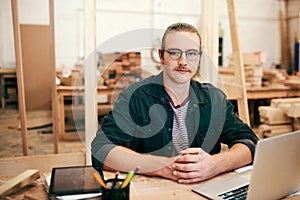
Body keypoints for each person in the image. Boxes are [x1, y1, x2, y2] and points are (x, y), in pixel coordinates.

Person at [91, 22, 258, 184]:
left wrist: (215, 165)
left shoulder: (214, 99)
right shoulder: (136, 97)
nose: (183, 62)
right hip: (153, 191)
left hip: (203, 190)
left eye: (191, 53)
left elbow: (250, 143)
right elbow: (101, 150)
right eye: (175, 53)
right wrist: (165, 167)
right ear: (161, 56)